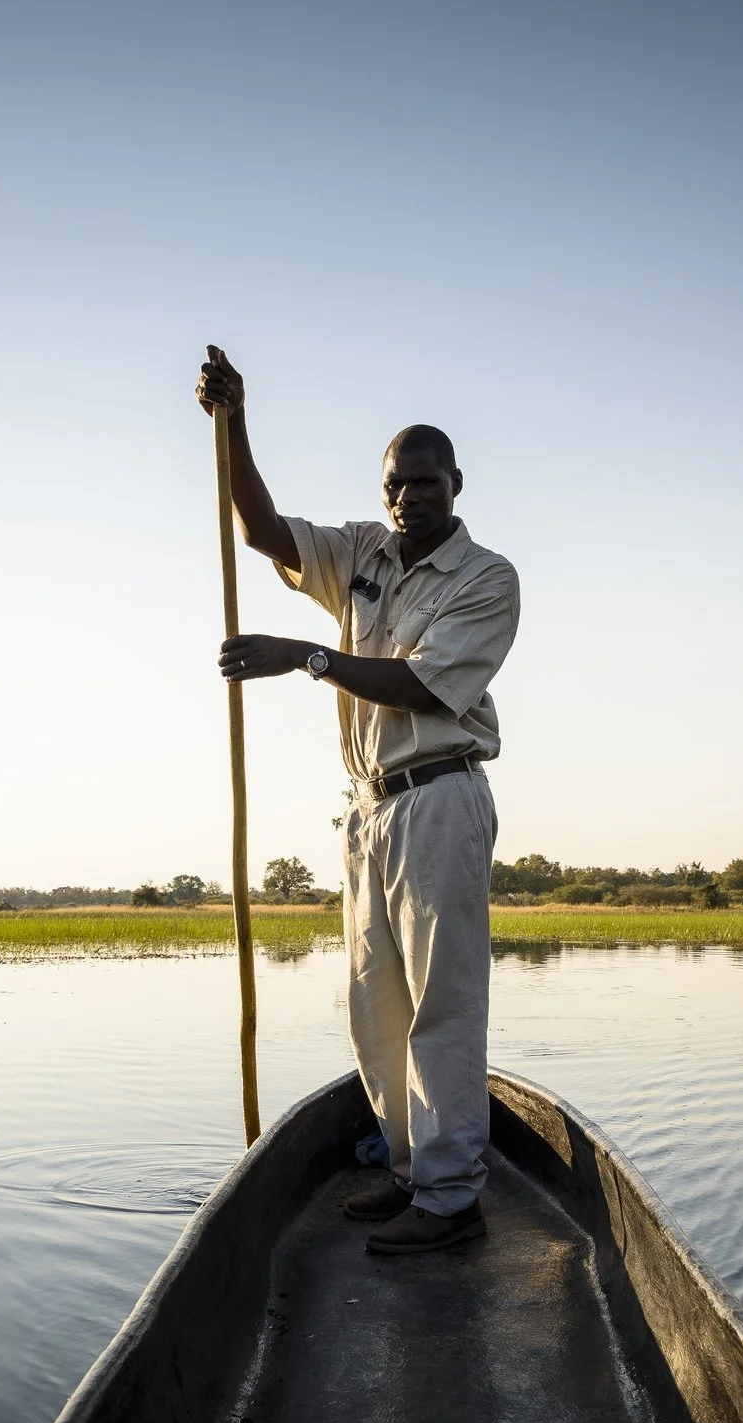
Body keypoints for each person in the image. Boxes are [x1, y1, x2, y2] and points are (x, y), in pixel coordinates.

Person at [196, 345, 519, 1255]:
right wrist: (235, 424)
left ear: (455, 485)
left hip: (440, 796)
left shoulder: (486, 578)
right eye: (395, 483)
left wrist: (305, 656)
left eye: (425, 482)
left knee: (441, 1003)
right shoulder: (364, 551)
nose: (408, 496)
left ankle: (451, 1198)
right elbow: (263, 532)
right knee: (374, 1004)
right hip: (369, 810)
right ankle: (411, 1171)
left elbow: (420, 685)